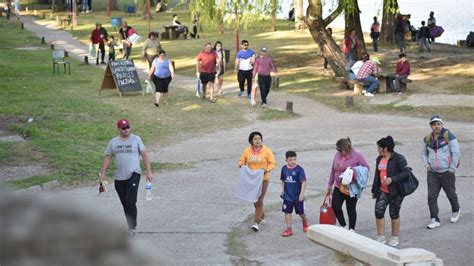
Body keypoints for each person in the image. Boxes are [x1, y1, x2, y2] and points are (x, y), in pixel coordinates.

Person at [99, 119, 154, 237]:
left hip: (134, 173)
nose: (126, 130)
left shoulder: (136, 139)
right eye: (123, 128)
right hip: (119, 178)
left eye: (128, 127)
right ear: (119, 129)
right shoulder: (113, 142)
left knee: (130, 201)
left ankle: (132, 228)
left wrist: (149, 171)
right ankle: (130, 226)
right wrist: (103, 173)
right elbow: (108, 157)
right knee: (125, 203)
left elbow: (144, 154)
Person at [420, 116, 461, 229]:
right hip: (432, 173)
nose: (436, 126)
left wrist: (451, 169)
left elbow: (456, 153)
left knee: (450, 194)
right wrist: (427, 165)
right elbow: (422, 152)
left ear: (442, 125)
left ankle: (456, 210)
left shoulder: (449, 136)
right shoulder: (428, 138)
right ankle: (434, 219)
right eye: (434, 124)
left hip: (447, 171)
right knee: (431, 196)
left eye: (438, 124)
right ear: (431, 126)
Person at [371, 136, 410, 247]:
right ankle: (381, 236)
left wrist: (392, 179)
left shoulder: (399, 158)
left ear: (386, 148)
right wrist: (375, 189)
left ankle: (394, 237)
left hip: (396, 192)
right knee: (378, 212)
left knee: (394, 214)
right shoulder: (379, 158)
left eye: (379, 148)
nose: (378, 150)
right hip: (382, 191)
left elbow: (406, 173)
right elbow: (377, 175)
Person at [327, 138, 369, 232]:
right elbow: (333, 170)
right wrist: (330, 185)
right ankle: (343, 225)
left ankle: (352, 229)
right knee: (335, 205)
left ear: (346, 149)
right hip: (339, 185)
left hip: (352, 187)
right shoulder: (337, 155)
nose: (338, 152)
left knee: (350, 207)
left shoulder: (358, 156)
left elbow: (366, 168)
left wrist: (354, 172)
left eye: (340, 150)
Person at [239, 131, 276, 232]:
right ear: (251, 140)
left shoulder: (267, 150)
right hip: (251, 179)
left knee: (259, 200)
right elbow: (242, 161)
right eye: (255, 139)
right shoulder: (247, 151)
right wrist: (241, 165)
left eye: (259, 138)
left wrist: (267, 170)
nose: (257, 141)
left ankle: (256, 222)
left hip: (263, 179)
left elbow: (272, 163)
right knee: (255, 200)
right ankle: (262, 216)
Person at [280, 151, 309, 237]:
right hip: (288, 196)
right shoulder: (284, 169)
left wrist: (302, 194)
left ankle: (305, 221)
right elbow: (282, 180)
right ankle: (289, 229)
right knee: (287, 212)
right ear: (286, 160)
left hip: (297, 196)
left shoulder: (299, 169)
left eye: (294, 159)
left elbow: (303, 182)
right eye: (290, 160)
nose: (293, 161)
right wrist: (282, 190)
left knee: (300, 212)